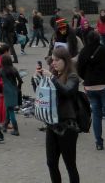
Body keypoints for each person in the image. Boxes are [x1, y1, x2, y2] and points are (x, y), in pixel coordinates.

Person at [39, 48, 80, 182]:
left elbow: (67, 91)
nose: (53, 63)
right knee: (51, 162)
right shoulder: (54, 74)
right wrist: (38, 79)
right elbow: (43, 94)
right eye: (52, 60)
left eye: (57, 60)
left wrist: (51, 78)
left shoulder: (72, 76)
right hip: (52, 124)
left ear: (65, 60)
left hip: (67, 125)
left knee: (70, 164)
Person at [0, 54, 21, 135]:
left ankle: (16, 129)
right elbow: (20, 81)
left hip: (6, 90)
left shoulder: (1, 71)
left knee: (10, 109)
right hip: (14, 89)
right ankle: (5, 125)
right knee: (9, 108)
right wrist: (18, 88)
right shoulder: (14, 69)